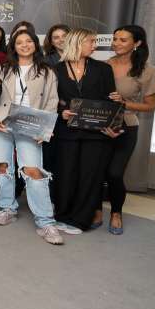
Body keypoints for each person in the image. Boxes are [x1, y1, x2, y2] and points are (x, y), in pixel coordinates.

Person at [0, 29, 65, 245]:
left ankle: (45, 221)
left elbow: (52, 101)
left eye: (29, 41)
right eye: (19, 42)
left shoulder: (46, 71)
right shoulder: (3, 69)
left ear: (35, 44)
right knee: (2, 167)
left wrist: (45, 130)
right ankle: (7, 208)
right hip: (2, 123)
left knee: (33, 171)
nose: (24, 45)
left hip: (31, 125)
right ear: (14, 46)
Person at [52, 28, 118, 231]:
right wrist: (61, 112)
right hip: (66, 131)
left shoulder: (103, 69)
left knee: (90, 176)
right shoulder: (56, 69)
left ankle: (81, 220)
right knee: (65, 174)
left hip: (95, 133)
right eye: (91, 41)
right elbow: (49, 100)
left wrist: (114, 124)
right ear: (78, 42)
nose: (95, 46)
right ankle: (62, 215)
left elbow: (110, 101)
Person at [101, 25, 155, 235]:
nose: (116, 43)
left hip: (126, 127)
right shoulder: (104, 65)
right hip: (100, 126)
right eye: (115, 39)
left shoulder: (147, 70)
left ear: (137, 43)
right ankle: (96, 210)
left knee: (115, 173)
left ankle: (116, 213)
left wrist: (124, 103)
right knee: (96, 171)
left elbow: (150, 106)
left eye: (123, 40)